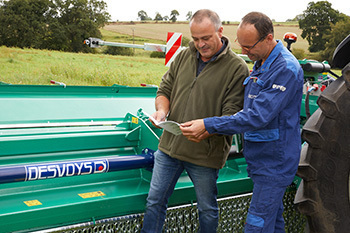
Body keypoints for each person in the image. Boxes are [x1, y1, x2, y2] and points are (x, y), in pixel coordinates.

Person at [181, 11, 304, 233]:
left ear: (268, 38)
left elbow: (257, 116)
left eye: (249, 47)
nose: (244, 52)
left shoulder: (284, 68)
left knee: (256, 226)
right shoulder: (262, 61)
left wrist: (209, 125)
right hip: (260, 159)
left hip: (274, 162)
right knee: (273, 222)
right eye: (241, 45)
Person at [141, 9, 249, 233]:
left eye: (206, 38)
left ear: (220, 31)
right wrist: (161, 112)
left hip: (205, 154)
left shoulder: (237, 68)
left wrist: (206, 128)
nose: (200, 44)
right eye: (196, 38)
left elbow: (232, 115)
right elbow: (165, 90)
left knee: (207, 209)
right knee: (154, 202)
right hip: (170, 147)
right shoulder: (183, 55)